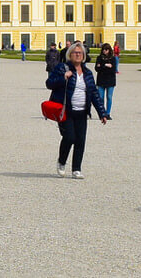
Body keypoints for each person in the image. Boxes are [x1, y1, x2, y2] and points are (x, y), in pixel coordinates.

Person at [46, 42, 107, 179]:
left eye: (80, 52)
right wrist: (63, 77)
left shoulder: (88, 73)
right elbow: (49, 83)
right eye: (75, 52)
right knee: (69, 137)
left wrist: (102, 113)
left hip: (82, 111)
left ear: (84, 55)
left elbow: (94, 94)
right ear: (70, 54)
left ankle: (76, 169)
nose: (78, 54)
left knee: (80, 140)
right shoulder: (63, 68)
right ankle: (61, 162)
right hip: (66, 110)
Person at [94, 44, 116, 119]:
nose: (104, 51)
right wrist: (106, 65)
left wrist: (102, 66)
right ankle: (102, 113)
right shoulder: (99, 58)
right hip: (101, 80)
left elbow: (113, 70)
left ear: (109, 50)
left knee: (109, 97)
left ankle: (108, 113)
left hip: (110, 81)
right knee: (101, 97)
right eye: (103, 49)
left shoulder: (113, 59)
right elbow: (97, 69)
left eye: (106, 49)